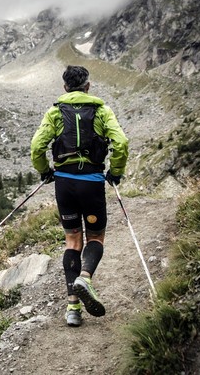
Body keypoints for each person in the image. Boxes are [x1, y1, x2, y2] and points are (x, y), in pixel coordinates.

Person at [30, 65, 128, 327]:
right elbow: (121, 143)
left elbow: (37, 146)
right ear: (88, 86)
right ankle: (85, 276)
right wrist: (115, 172)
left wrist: (45, 172)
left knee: (72, 240)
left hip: (64, 185)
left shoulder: (54, 112)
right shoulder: (101, 110)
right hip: (92, 183)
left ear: (65, 88)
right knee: (95, 236)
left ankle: (73, 308)